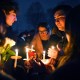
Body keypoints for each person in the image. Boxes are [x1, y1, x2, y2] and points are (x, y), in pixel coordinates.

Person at [47, 4, 80, 80]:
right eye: (55, 18)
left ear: (70, 18)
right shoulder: (61, 40)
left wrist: (59, 57)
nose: (56, 21)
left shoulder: (75, 40)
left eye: (61, 17)